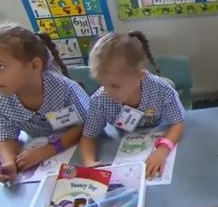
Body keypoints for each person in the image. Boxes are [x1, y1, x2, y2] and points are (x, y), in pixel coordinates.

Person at [79, 31, 185, 179]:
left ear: (139, 76)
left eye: (115, 86)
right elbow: (88, 137)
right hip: (122, 144)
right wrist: (89, 162)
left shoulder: (161, 89)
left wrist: (163, 150)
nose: (107, 92)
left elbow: (177, 123)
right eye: (102, 84)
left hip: (158, 133)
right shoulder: (100, 100)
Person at [0, 23, 89, 184]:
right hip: (43, 166)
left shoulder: (65, 89)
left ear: (34, 65)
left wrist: (49, 150)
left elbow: (86, 124)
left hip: (80, 149)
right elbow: (6, 136)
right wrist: (9, 163)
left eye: (1, 67)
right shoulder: (3, 97)